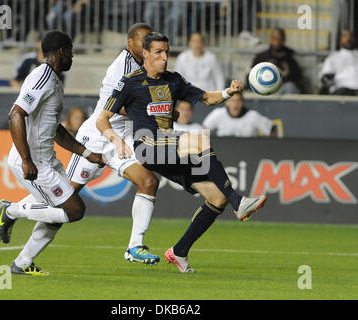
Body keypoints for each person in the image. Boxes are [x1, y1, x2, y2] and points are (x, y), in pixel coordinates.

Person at [97, 32, 267, 273]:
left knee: (217, 198)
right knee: (198, 141)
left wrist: (229, 92)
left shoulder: (174, 80)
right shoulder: (130, 82)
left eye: (167, 52)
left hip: (168, 148)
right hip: (147, 147)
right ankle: (238, 202)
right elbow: (102, 119)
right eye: (158, 52)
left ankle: (179, 251)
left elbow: (207, 98)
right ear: (145, 54)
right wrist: (115, 139)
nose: (165, 57)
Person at [16, 23, 161, 268]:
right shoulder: (124, 67)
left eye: (151, 39)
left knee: (149, 181)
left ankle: (135, 246)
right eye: (143, 40)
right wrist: (157, 110)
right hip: (97, 136)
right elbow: (119, 106)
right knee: (64, 206)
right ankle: (12, 214)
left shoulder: (148, 65)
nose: (148, 44)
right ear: (130, 44)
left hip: (120, 139)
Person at [0, 31, 104, 276]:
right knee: (74, 210)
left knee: (56, 214)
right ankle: (9, 210)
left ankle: (21, 264)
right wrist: (25, 159)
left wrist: (86, 153)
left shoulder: (54, 81)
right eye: (71, 51)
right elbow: (15, 114)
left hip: (47, 161)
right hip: (35, 164)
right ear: (61, 51)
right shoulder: (42, 77)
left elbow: (55, 130)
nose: (73, 57)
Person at [319, 30, 358, 96]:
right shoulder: (333, 57)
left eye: (351, 36)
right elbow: (325, 76)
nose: (348, 39)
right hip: (340, 88)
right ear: (340, 39)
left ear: (355, 39)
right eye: (345, 36)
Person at [251, 28, 304, 94]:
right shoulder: (261, 58)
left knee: (290, 86)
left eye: (279, 39)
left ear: (283, 40)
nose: (276, 42)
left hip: (283, 90)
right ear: (270, 39)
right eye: (274, 38)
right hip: (266, 89)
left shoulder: (290, 59)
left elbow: (297, 80)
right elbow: (252, 76)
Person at [203, 92, 276, 137]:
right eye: (232, 101)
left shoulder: (252, 116)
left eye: (238, 101)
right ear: (226, 102)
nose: (235, 104)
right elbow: (205, 128)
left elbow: (271, 129)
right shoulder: (218, 114)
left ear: (242, 102)